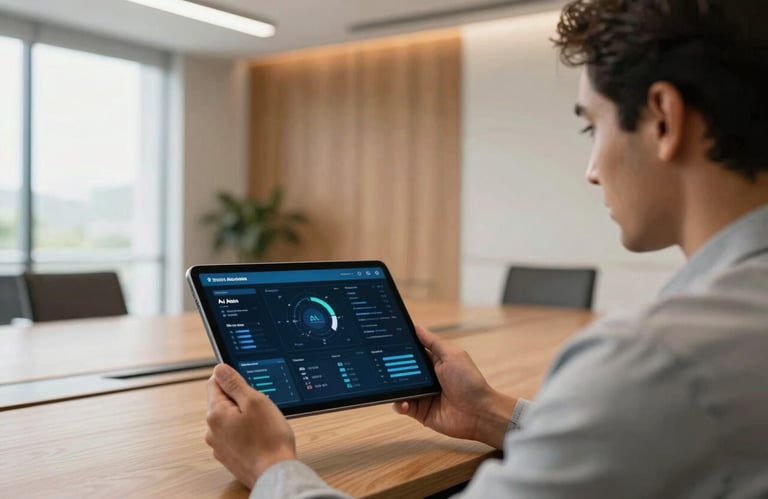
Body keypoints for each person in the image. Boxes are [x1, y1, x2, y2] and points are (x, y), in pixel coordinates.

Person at [205, 0, 768, 497]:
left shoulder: (654, 360)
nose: (592, 172)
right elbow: (652, 444)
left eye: (590, 127)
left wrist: (271, 466)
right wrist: (490, 412)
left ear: (665, 119)